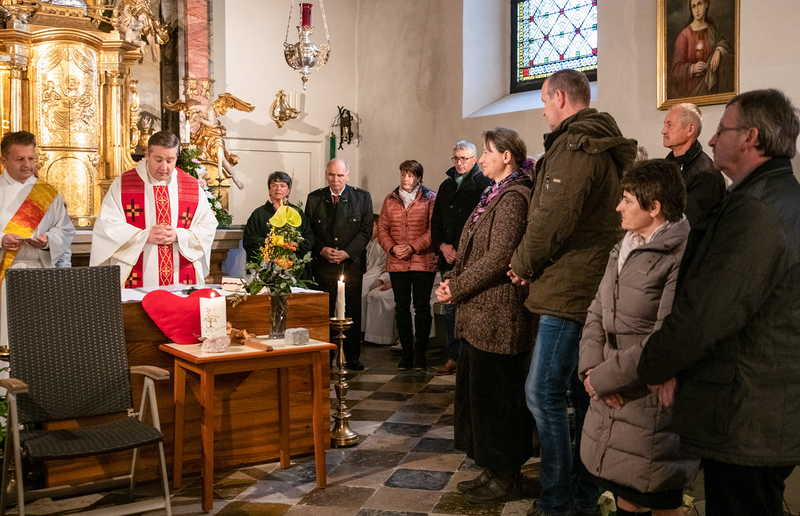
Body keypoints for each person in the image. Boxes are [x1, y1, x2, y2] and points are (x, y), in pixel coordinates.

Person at [638, 89, 800, 516]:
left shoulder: (757, 209)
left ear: (750, 137)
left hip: (748, 408)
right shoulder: (777, 195)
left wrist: (655, 363)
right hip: (760, 402)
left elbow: (711, 309)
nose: (711, 140)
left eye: (722, 130)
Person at [507, 69, 637, 516]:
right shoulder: (602, 141)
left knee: (542, 392)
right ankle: (582, 494)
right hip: (589, 283)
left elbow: (553, 216)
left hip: (570, 288)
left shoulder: (577, 145)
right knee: (582, 395)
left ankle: (558, 499)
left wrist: (522, 263)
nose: (542, 109)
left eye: (544, 100)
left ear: (560, 97)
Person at [579, 160, 697, 516]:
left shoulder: (680, 255)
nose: (619, 207)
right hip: (609, 389)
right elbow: (597, 311)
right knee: (625, 494)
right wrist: (590, 371)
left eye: (627, 200)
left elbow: (665, 336)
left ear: (654, 207)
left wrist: (605, 378)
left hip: (646, 394)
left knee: (656, 497)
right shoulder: (625, 245)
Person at [436, 128, 533, 504]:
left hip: (498, 313)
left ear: (507, 156)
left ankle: (506, 475)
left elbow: (498, 257)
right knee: (481, 398)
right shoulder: (494, 192)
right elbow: (471, 249)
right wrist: (452, 280)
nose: (482, 158)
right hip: (479, 313)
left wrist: (457, 287)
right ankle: (492, 469)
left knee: (499, 399)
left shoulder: (513, 197)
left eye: (489, 151)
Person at [90, 131, 218, 288]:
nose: (164, 167)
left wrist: (178, 235)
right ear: (147, 155)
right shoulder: (123, 185)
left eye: (170, 160)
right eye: (158, 160)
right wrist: (144, 236)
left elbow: (207, 226)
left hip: (181, 274)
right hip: (137, 274)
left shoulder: (191, 186)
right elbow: (107, 226)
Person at [0, 130, 75, 349]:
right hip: (4, 273)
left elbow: (65, 230)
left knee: (37, 339)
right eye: (20, 159)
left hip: (40, 274)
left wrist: (48, 240)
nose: (27, 165)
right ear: (4, 160)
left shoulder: (48, 193)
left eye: (31, 158)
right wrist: (2, 239)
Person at [430, 140, 491, 375]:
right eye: (456, 158)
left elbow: (481, 224)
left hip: (471, 257)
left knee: (470, 307)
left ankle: (469, 357)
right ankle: (453, 356)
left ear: (474, 159)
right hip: (448, 256)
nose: (459, 163)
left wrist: (462, 250)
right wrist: (442, 246)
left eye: (464, 158)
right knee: (450, 309)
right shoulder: (446, 186)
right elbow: (436, 220)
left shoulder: (483, 184)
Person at [305, 159, 373, 370]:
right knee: (324, 310)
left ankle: (352, 357)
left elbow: (366, 231)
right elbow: (309, 231)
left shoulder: (362, 197)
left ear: (347, 175)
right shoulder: (315, 198)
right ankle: (325, 356)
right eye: (332, 175)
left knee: (351, 310)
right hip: (324, 264)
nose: (336, 179)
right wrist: (321, 249)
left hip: (351, 264)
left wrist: (347, 253)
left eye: (340, 175)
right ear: (326, 174)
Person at [378, 160, 437, 371]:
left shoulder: (430, 198)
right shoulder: (390, 199)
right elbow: (382, 228)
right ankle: (406, 353)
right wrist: (392, 248)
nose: (406, 178)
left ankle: (420, 355)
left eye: (410, 175)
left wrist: (412, 247)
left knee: (421, 308)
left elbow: (433, 229)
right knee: (401, 307)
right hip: (397, 261)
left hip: (423, 261)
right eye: (403, 174)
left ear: (418, 178)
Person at [662, 102, 726, 225]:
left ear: (690, 129)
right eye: (664, 125)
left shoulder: (706, 175)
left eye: (669, 125)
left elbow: (686, 225)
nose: (663, 131)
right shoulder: (667, 164)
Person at [243, 171, 314, 264]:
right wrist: (271, 242)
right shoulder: (258, 214)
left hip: (293, 265)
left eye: (282, 186)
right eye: (274, 185)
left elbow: (309, 238)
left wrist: (296, 245)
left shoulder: (297, 212)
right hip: (266, 265)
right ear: (269, 190)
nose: (278, 189)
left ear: (288, 190)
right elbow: (248, 240)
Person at [669, 0, 731, 99]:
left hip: (712, 90)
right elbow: (675, 71)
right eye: (693, 6)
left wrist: (718, 50)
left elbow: (723, 42)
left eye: (699, 4)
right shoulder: (684, 36)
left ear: (706, 5)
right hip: (692, 92)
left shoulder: (712, 30)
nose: (697, 10)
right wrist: (692, 68)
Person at [361, 215, 394, 346]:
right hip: (370, 273)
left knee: (365, 289)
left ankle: (370, 334)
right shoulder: (371, 242)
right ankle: (361, 329)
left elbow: (389, 263)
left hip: (381, 274)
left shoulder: (386, 241)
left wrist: (384, 279)